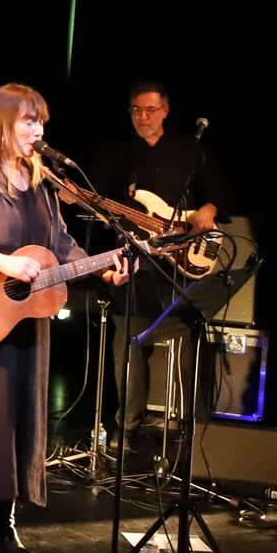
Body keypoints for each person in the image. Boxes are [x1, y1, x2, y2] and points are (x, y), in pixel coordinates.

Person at [0, 83, 129, 553]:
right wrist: (2, 262)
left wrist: (103, 268)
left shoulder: (41, 183)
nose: (38, 131)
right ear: (2, 125)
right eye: (29, 121)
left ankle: (5, 523)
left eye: (41, 122)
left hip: (29, 319)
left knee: (24, 419)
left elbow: (60, 245)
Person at [96, 81, 226, 445]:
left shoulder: (190, 150)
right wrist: (92, 206)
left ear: (165, 111)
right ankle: (128, 425)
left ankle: (194, 428)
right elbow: (101, 200)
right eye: (136, 110)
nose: (143, 116)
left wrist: (209, 208)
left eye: (150, 110)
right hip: (136, 264)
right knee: (128, 343)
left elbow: (217, 193)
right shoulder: (119, 155)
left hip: (182, 261)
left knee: (190, 344)